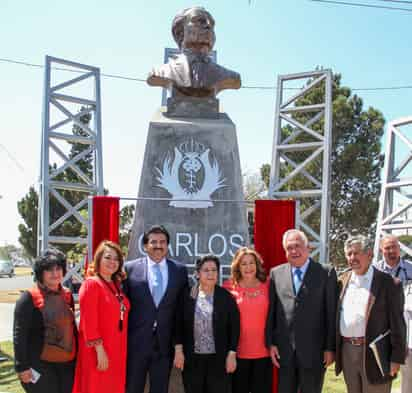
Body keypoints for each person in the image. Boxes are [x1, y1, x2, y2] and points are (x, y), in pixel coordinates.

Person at [266, 229, 338, 393]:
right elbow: (273, 312)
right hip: (285, 352)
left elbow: (331, 313)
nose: (294, 251)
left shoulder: (325, 272)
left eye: (297, 246)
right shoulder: (276, 273)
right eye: (289, 248)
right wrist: (271, 343)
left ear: (308, 248)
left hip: (315, 352)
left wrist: (329, 348)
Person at [335, 235, 406, 393]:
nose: (352, 257)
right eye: (349, 254)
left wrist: (396, 358)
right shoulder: (341, 281)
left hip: (376, 353)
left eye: (357, 253)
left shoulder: (389, 283)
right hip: (347, 351)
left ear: (370, 255)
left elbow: (398, 323)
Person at [124, 225, 188, 393]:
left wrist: (178, 346)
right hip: (136, 344)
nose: (158, 245)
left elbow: (181, 312)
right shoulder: (129, 269)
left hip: (164, 345)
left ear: (167, 245)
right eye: (153, 242)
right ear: (145, 245)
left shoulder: (179, 271)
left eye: (162, 242)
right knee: (132, 388)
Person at [174, 255, 240, 393]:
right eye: (206, 270)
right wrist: (178, 351)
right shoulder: (188, 295)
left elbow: (234, 328)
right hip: (192, 360)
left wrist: (232, 354)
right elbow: (178, 324)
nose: (210, 273)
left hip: (219, 360)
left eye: (214, 270)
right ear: (198, 274)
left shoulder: (226, 297)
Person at [13, 249, 76, 393]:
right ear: (40, 273)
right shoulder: (28, 298)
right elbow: (19, 335)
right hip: (41, 366)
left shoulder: (67, 295)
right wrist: (21, 367)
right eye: (49, 270)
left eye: (58, 268)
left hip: (67, 365)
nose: (55, 273)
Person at [72, 240, 130, 393]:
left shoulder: (115, 285)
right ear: (98, 259)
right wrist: (99, 350)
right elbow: (89, 321)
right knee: (97, 387)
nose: (112, 262)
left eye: (116, 259)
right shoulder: (91, 284)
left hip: (117, 349)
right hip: (98, 351)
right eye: (108, 257)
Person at [147, 6, 241, 97]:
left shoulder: (228, 75)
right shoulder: (161, 71)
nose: (208, 26)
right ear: (180, 32)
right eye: (200, 21)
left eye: (212, 24)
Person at [223, 247, 272, 393]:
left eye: (251, 263)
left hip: (264, 353)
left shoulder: (269, 285)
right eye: (243, 264)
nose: (248, 267)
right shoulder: (228, 287)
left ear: (257, 265)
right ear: (237, 267)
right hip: (237, 354)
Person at [374, 235, 412, 393]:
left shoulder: (410, 268)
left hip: (407, 328)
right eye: (387, 248)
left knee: (409, 373)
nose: (391, 251)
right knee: (383, 373)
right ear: (381, 249)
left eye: (394, 247)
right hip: (383, 329)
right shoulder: (375, 271)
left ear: (399, 248)